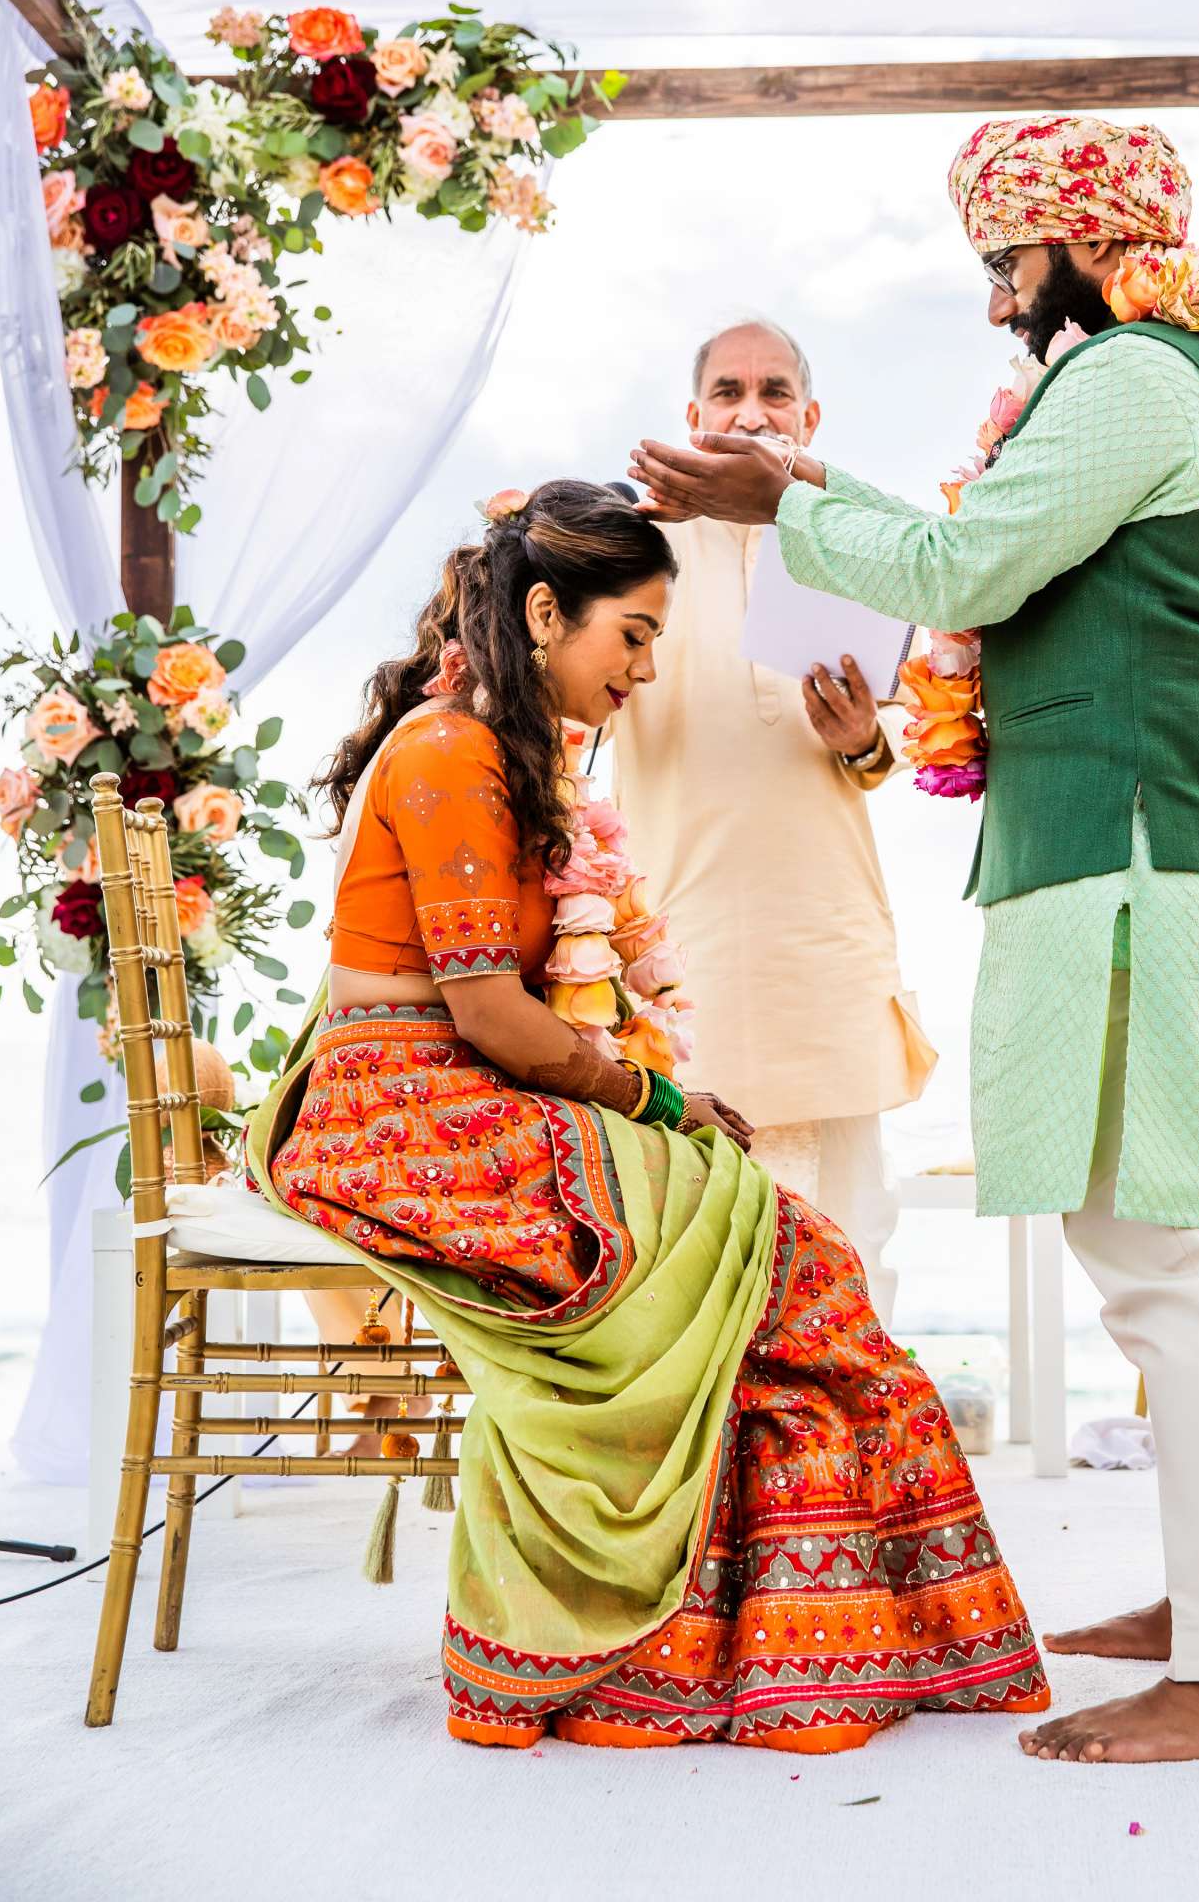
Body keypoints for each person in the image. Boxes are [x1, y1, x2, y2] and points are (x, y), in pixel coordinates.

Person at [630, 113, 1199, 1765]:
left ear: (1073, 243)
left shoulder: (1142, 379)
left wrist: (790, 496)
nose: (997, 295)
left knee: (1172, 1250)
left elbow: (961, 563)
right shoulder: (1140, 378)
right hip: (1124, 851)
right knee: (1147, 1240)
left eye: (1005, 260)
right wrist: (792, 493)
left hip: (1151, 845)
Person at [248, 479, 1047, 1752]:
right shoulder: (452, 750)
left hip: (467, 1094)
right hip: (396, 1107)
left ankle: (771, 1632)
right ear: (550, 613)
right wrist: (657, 1100)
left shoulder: (505, 749)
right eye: (633, 636)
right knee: (755, 1247)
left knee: (778, 1248)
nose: (644, 668)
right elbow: (493, 1016)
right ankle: (670, 1644)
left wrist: (654, 1103)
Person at [609, 318, 934, 1319]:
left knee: (844, 1236)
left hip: (818, 937)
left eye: (776, 391)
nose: (752, 411)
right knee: (688, 1239)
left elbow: (916, 737)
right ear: (693, 415)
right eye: (730, 391)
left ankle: (846, 1465)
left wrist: (859, 741)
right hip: (679, 934)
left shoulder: (853, 542)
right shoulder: (631, 548)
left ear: (811, 415)